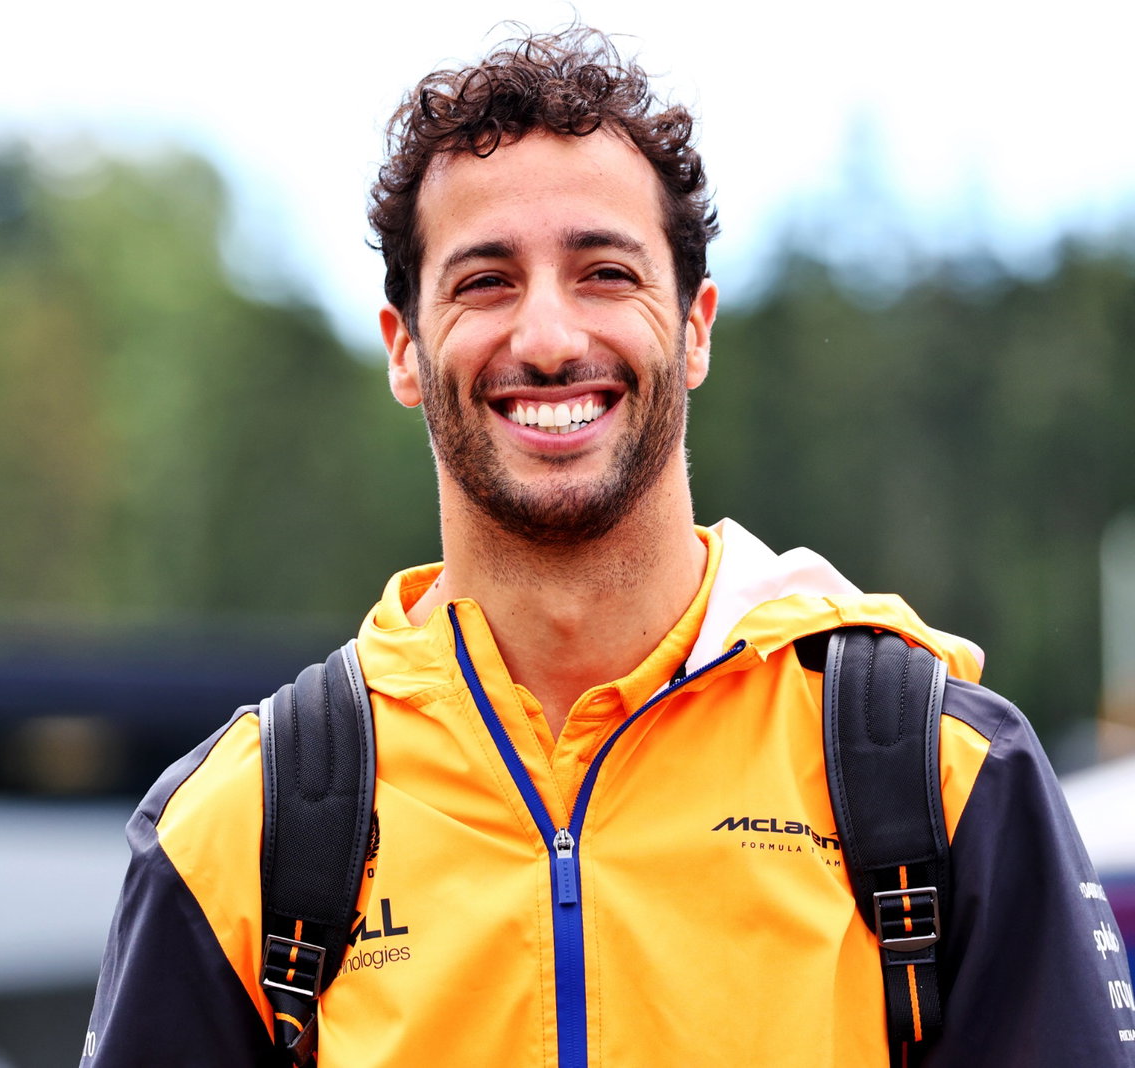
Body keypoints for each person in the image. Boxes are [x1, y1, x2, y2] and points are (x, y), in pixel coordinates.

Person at [81, 26, 1135, 1067]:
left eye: (604, 273)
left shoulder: (937, 773)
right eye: (485, 281)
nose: (547, 339)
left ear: (695, 328)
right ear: (405, 348)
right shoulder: (238, 833)